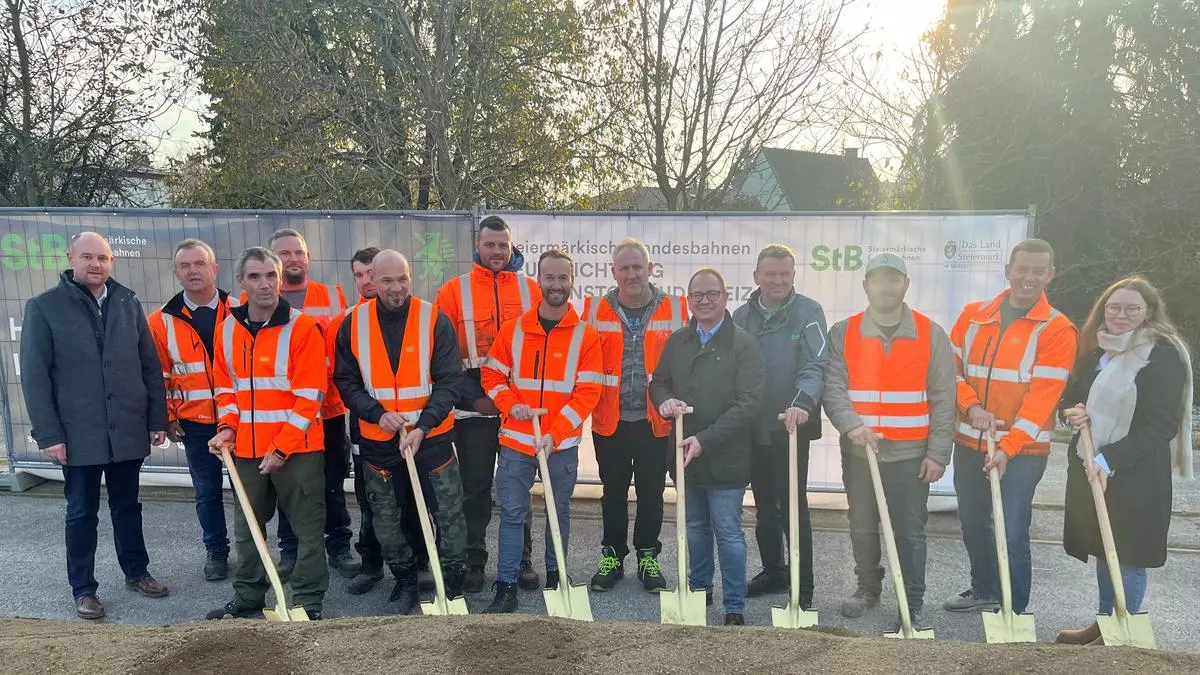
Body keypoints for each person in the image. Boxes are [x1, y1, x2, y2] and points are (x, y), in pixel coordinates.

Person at [20, 231, 170, 620]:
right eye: (87, 257)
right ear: (71, 258)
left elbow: (149, 366)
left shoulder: (127, 303)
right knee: (81, 512)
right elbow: (35, 378)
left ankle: (137, 572)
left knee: (128, 507)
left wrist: (157, 418)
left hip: (126, 429)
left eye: (102, 258)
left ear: (111, 262)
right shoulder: (44, 307)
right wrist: (50, 435)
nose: (95, 264)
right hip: (77, 434)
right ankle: (84, 589)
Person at [1055, 277, 1192, 645]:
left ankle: (1123, 632)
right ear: (1104, 309)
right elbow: (1069, 396)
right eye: (1114, 307)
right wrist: (1071, 412)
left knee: (1128, 553)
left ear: (1149, 312)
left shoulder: (1162, 356)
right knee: (1105, 547)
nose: (1121, 315)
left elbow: (1161, 424)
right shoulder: (1098, 351)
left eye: (1132, 309)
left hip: (1136, 474)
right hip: (1092, 466)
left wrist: (1109, 457)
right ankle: (1106, 623)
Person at [821, 253, 955, 630]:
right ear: (866, 285)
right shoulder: (844, 332)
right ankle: (868, 589)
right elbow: (833, 387)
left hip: (911, 456)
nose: (885, 287)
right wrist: (851, 426)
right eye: (878, 280)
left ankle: (911, 601)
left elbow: (945, 398)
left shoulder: (930, 334)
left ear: (906, 284)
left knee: (909, 532)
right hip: (859, 452)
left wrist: (938, 454)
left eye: (893, 279)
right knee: (862, 525)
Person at [944, 238, 1077, 615]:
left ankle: (1014, 609)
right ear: (1008, 271)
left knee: (1012, 529)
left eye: (1038, 271)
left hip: (1023, 452)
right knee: (973, 523)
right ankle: (985, 588)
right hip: (970, 442)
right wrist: (971, 407)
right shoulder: (973, 315)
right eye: (1022, 269)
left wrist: (1008, 448)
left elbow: (1042, 400)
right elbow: (948, 372)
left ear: (1050, 275)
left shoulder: (1057, 329)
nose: (1028, 277)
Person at [333, 249, 468, 614]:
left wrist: (423, 425)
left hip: (432, 438)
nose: (396, 288)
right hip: (380, 441)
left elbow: (450, 380)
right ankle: (406, 580)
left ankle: (452, 585)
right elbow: (346, 381)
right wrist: (376, 414)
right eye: (388, 280)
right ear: (372, 280)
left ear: (412, 277)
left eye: (403, 279)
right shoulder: (353, 323)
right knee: (387, 519)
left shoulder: (433, 319)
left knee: (449, 514)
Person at [206, 246, 329, 620]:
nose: (265, 284)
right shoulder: (227, 329)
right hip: (245, 450)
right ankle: (248, 597)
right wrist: (227, 428)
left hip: (298, 451)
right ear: (240, 282)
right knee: (247, 529)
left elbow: (310, 398)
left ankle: (307, 602)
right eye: (255, 276)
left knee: (308, 530)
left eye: (271, 275)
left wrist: (281, 449)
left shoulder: (303, 328)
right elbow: (226, 389)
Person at [479, 249, 604, 613]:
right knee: (513, 515)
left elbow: (588, 392)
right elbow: (492, 375)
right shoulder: (514, 329)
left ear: (572, 281)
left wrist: (556, 433)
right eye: (549, 277)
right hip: (517, 443)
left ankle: (556, 576)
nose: (556, 284)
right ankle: (506, 585)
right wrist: (509, 404)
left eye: (563, 277)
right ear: (538, 281)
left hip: (560, 446)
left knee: (558, 512)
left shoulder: (586, 336)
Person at [651, 267, 765, 627]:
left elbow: (749, 403)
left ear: (725, 297)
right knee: (696, 527)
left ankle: (734, 605)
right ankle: (700, 591)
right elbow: (659, 382)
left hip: (726, 456)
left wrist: (706, 439)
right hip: (684, 454)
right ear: (689, 300)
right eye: (697, 295)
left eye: (712, 294)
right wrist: (665, 401)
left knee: (728, 532)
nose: (704, 301)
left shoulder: (744, 344)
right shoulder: (678, 341)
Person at [435, 215, 541, 592]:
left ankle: (521, 559)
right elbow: (443, 356)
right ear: (477, 246)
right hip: (473, 407)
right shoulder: (453, 291)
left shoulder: (532, 290)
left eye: (503, 245)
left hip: (518, 408)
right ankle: (474, 559)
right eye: (490, 244)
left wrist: (516, 400)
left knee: (517, 487)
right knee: (475, 487)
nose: (497, 251)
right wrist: (474, 398)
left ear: (511, 247)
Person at [582, 238, 688, 593]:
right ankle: (612, 555)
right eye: (624, 268)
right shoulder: (594, 310)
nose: (631, 274)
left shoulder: (677, 309)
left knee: (651, 492)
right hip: (609, 420)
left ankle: (647, 556)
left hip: (655, 421)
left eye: (637, 267)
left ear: (650, 269)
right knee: (612, 491)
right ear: (613, 272)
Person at [732, 243, 829, 603]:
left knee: (793, 508)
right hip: (753, 427)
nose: (778, 281)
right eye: (770, 274)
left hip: (791, 426)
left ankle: (804, 586)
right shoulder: (741, 317)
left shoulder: (809, 312)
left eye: (784, 274)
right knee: (764, 507)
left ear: (793, 275)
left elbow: (815, 363)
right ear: (756, 276)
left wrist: (802, 403)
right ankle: (774, 572)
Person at [264, 228, 358, 580]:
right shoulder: (256, 299)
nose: (293, 259)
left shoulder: (332, 296)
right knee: (289, 486)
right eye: (284, 253)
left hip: (327, 409)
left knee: (332, 482)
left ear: (308, 258)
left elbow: (344, 351)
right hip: (283, 413)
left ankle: (339, 546)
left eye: (298, 253)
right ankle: (291, 550)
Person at [148, 239, 234, 581]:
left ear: (215, 269)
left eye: (200, 263)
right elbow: (158, 374)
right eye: (185, 265)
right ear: (176, 272)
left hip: (240, 419)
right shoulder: (160, 321)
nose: (193, 270)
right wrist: (167, 416)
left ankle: (254, 552)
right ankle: (216, 551)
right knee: (207, 492)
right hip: (194, 422)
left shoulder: (240, 309)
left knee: (250, 492)